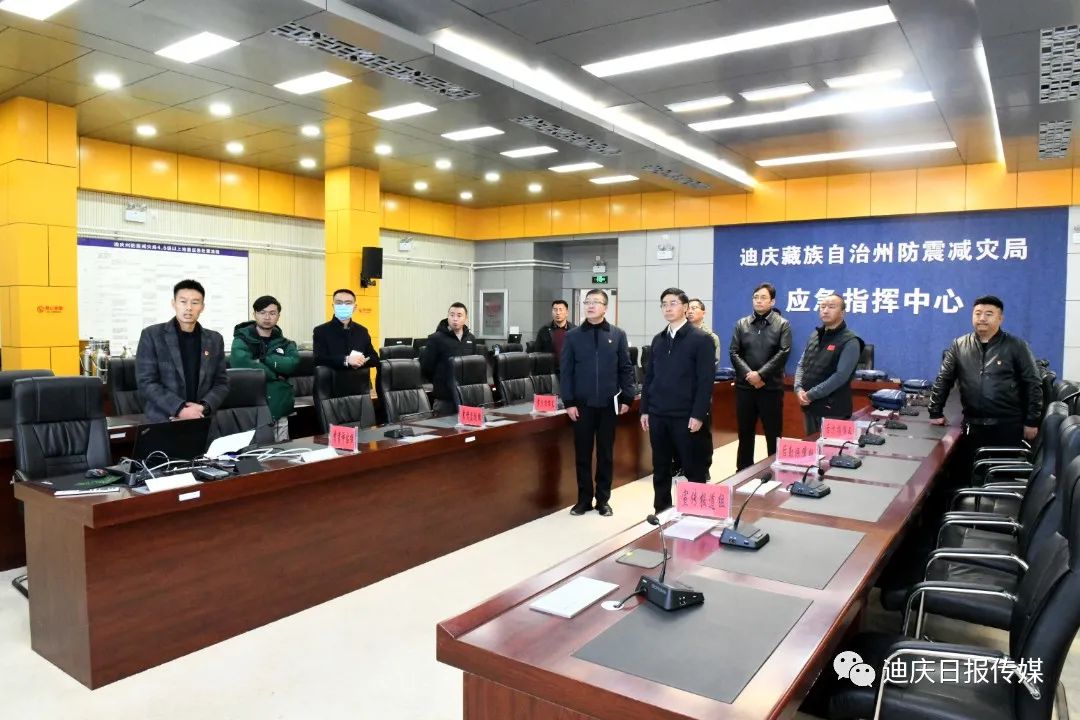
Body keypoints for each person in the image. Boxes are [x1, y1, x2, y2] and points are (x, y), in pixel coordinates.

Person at [929, 295, 1042, 468]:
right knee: (967, 471)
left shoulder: (1017, 346)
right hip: (972, 425)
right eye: (978, 313)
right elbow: (944, 379)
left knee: (1000, 474)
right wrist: (935, 411)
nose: (982, 318)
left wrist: (1032, 421)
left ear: (1000, 318)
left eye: (989, 314)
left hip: (1007, 427)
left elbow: (1033, 383)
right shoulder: (959, 345)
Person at [640, 288, 716, 513]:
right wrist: (645, 409)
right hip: (658, 414)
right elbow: (649, 377)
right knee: (661, 467)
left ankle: (697, 513)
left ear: (685, 307)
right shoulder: (658, 340)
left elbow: (705, 381)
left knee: (694, 467)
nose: (668, 308)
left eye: (673, 303)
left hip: (687, 416)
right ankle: (662, 511)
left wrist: (699, 414)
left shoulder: (701, 339)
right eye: (664, 304)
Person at [560, 289, 635, 517]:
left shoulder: (617, 334)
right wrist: (569, 401)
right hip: (581, 406)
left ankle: (603, 500)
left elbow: (625, 368)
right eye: (587, 302)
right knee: (582, 455)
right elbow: (566, 371)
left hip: (608, 404)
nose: (590, 306)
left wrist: (627, 397)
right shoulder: (573, 336)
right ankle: (583, 500)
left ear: (605, 307)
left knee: (606, 454)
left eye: (596, 302)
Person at [136, 279, 229, 423]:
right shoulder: (152, 335)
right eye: (183, 302)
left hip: (201, 419)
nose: (189, 308)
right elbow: (146, 382)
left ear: (202, 307)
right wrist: (180, 409)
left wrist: (203, 407)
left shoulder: (214, 339)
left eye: (195, 302)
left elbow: (221, 383)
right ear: (174, 304)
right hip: (163, 420)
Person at [729, 282, 792, 469]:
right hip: (745, 387)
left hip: (770, 388)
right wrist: (750, 375)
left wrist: (761, 375)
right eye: (755, 297)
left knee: (773, 434)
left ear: (772, 301)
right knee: (745, 433)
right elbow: (734, 352)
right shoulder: (742, 324)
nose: (758, 300)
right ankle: (743, 471)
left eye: (763, 297)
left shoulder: (782, 324)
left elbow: (783, 352)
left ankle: (775, 470)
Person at [230, 295, 300, 441]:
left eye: (272, 313)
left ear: (278, 316)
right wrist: (275, 375)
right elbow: (241, 364)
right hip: (252, 407)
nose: (267, 317)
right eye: (262, 312)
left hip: (280, 406)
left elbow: (292, 364)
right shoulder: (242, 340)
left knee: (282, 450)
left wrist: (264, 359)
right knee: (255, 449)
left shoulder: (286, 343)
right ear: (254, 314)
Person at [793, 293, 864, 435]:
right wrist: (798, 388)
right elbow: (801, 364)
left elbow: (840, 376)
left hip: (833, 410)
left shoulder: (851, 341)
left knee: (831, 448)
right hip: (810, 406)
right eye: (822, 306)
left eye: (831, 307)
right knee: (812, 446)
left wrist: (810, 395)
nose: (825, 310)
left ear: (842, 312)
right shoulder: (814, 335)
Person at [313, 288, 379, 391]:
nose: (343, 306)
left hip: (359, 386)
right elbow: (318, 359)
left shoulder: (362, 331)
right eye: (339, 303)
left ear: (354, 307)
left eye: (348, 303)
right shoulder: (321, 331)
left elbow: (374, 358)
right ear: (333, 306)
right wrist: (346, 360)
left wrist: (360, 361)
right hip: (332, 387)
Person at [421, 302, 478, 415]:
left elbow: (473, 366)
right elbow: (426, 367)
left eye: (459, 315)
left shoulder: (471, 339)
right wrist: (441, 381)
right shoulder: (436, 338)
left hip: (466, 396)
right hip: (445, 398)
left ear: (466, 318)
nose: (455, 319)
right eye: (452, 315)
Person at [686, 298, 720, 477]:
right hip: (682, 392)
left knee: (702, 431)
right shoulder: (681, 334)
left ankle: (705, 467)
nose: (690, 311)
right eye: (688, 308)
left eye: (695, 308)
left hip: (701, 390)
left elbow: (712, 365)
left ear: (703, 312)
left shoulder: (710, 337)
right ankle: (684, 464)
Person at [534, 300, 570, 373]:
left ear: (566, 312)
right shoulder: (544, 330)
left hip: (569, 371)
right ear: (552, 312)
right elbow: (537, 353)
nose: (558, 313)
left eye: (560, 310)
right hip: (549, 372)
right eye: (555, 310)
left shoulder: (574, 330)